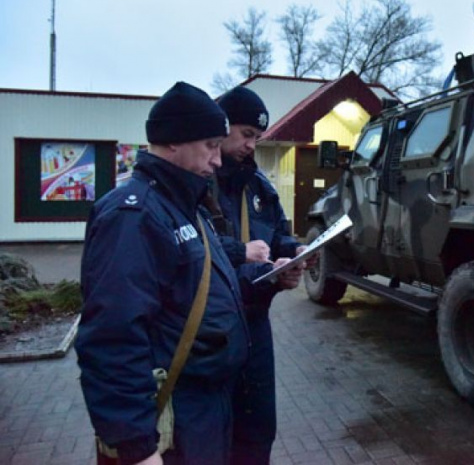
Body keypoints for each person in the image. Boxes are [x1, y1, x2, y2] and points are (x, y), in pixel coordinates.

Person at [75, 81, 250, 465]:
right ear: (173, 141)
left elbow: (198, 291)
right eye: (210, 145)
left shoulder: (185, 205)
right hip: (173, 420)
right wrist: (137, 448)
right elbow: (113, 337)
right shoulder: (133, 216)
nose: (218, 160)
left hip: (204, 411)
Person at [211, 86, 309, 465]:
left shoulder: (259, 187)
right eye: (246, 134)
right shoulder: (197, 184)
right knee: (213, 430)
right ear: (221, 127)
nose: (252, 145)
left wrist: (294, 253)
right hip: (212, 330)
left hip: (255, 325)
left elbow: (279, 234)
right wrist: (243, 255)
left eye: (258, 137)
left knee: (257, 429)